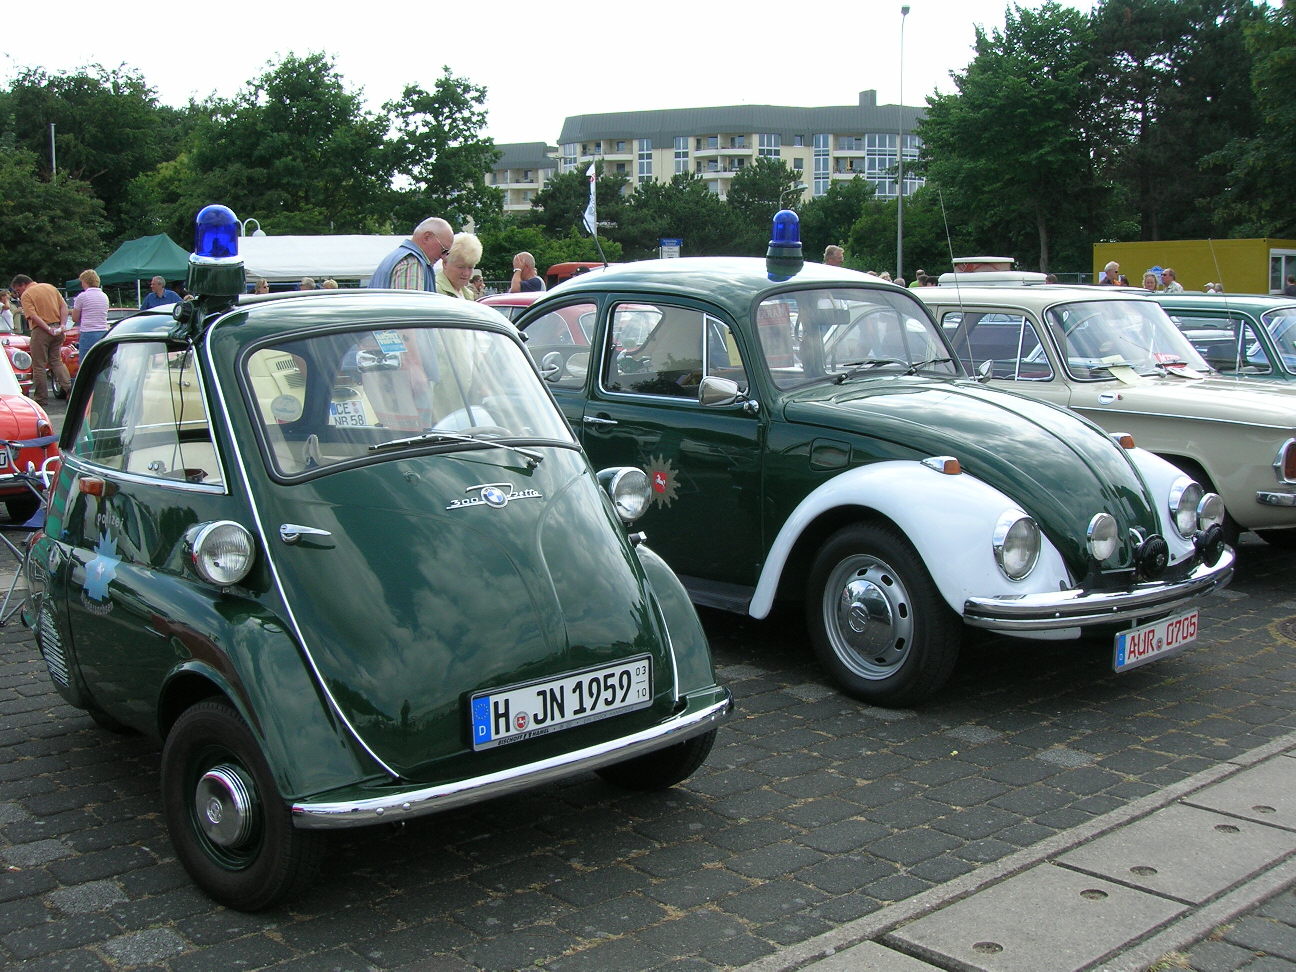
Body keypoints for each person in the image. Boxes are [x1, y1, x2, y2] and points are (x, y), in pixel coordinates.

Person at [9, 274, 73, 406]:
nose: (18, 293)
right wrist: (62, 325)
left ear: (23, 285)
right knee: (56, 361)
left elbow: (33, 315)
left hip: (41, 331)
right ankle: (69, 389)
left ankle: (41, 398)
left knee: (39, 366)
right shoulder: (51, 287)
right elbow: (64, 307)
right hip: (58, 328)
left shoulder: (27, 294)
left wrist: (47, 328)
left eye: (17, 290)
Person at [370, 217, 454, 291]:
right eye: (443, 250)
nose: (443, 257)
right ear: (427, 237)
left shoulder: (394, 257)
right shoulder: (412, 262)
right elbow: (409, 307)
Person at [71, 269, 110, 356]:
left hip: (88, 332)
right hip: (103, 331)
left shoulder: (82, 296)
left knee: (86, 360)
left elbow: (75, 318)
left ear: (85, 282)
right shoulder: (104, 296)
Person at [436, 233, 483, 300]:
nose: (466, 273)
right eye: (461, 267)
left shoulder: (468, 294)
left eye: (470, 267)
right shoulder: (434, 291)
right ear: (445, 263)